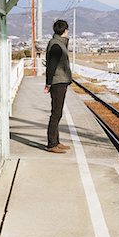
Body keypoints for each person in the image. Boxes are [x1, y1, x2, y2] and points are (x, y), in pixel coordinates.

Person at [44, 19, 72, 153]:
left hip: (60, 81)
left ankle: (56, 141)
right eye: (67, 30)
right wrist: (48, 83)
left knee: (58, 113)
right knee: (56, 114)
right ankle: (51, 144)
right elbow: (51, 65)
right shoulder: (56, 45)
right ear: (65, 30)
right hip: (58, 83)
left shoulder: (59, 43)